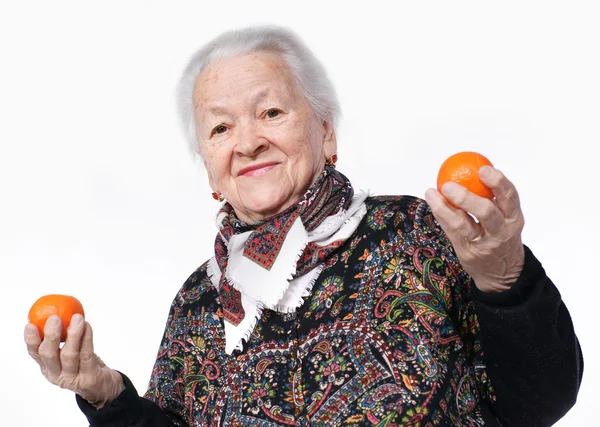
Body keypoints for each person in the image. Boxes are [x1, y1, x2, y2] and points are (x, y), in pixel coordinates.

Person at [24, 26, 583, 427]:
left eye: (271, 112)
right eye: (220, 128)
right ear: (211, 173)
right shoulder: (199, 302)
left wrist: (503, 277)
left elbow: (539, 405)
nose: (247, 142)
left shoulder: (416, 231)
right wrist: (104, 394)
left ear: (326, 132)